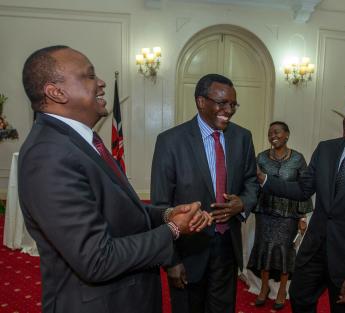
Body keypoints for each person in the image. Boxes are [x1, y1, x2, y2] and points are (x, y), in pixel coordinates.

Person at [18, 45, 212, 313]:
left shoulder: (78, 141)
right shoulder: (48, 155)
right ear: (56, 92)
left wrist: (166, 215)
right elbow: (96, 259)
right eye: (88, 76)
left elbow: (114, 209)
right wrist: (174, 230)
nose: (101, 83)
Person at [257, 96, 345, 313]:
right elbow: (303, 190)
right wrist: (265, 180)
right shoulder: (326, 149)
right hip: (314, 250)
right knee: (299, 298)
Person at [151, 73, 259, 313]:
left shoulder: (243, 138)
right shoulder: (170, 141)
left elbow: (252, 181)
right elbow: (160, 206)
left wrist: (242, 203)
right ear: (201, 101)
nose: (229, 110)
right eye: (222, 103)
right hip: (188, 251)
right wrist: (171, 261)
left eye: (233, 104)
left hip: (227, 248)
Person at [247, 121, 313, 310]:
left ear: (286, 135)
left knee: (285, 253)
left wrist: (302, 217)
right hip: (265, 213)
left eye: (276, 132)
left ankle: (283, 290)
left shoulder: (298, 159)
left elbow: (305, 188)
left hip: (288, 215)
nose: (272, 135)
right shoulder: (261, 158)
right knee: (264, 250)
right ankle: (264, 287)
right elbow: (252, 185)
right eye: (269, 133)